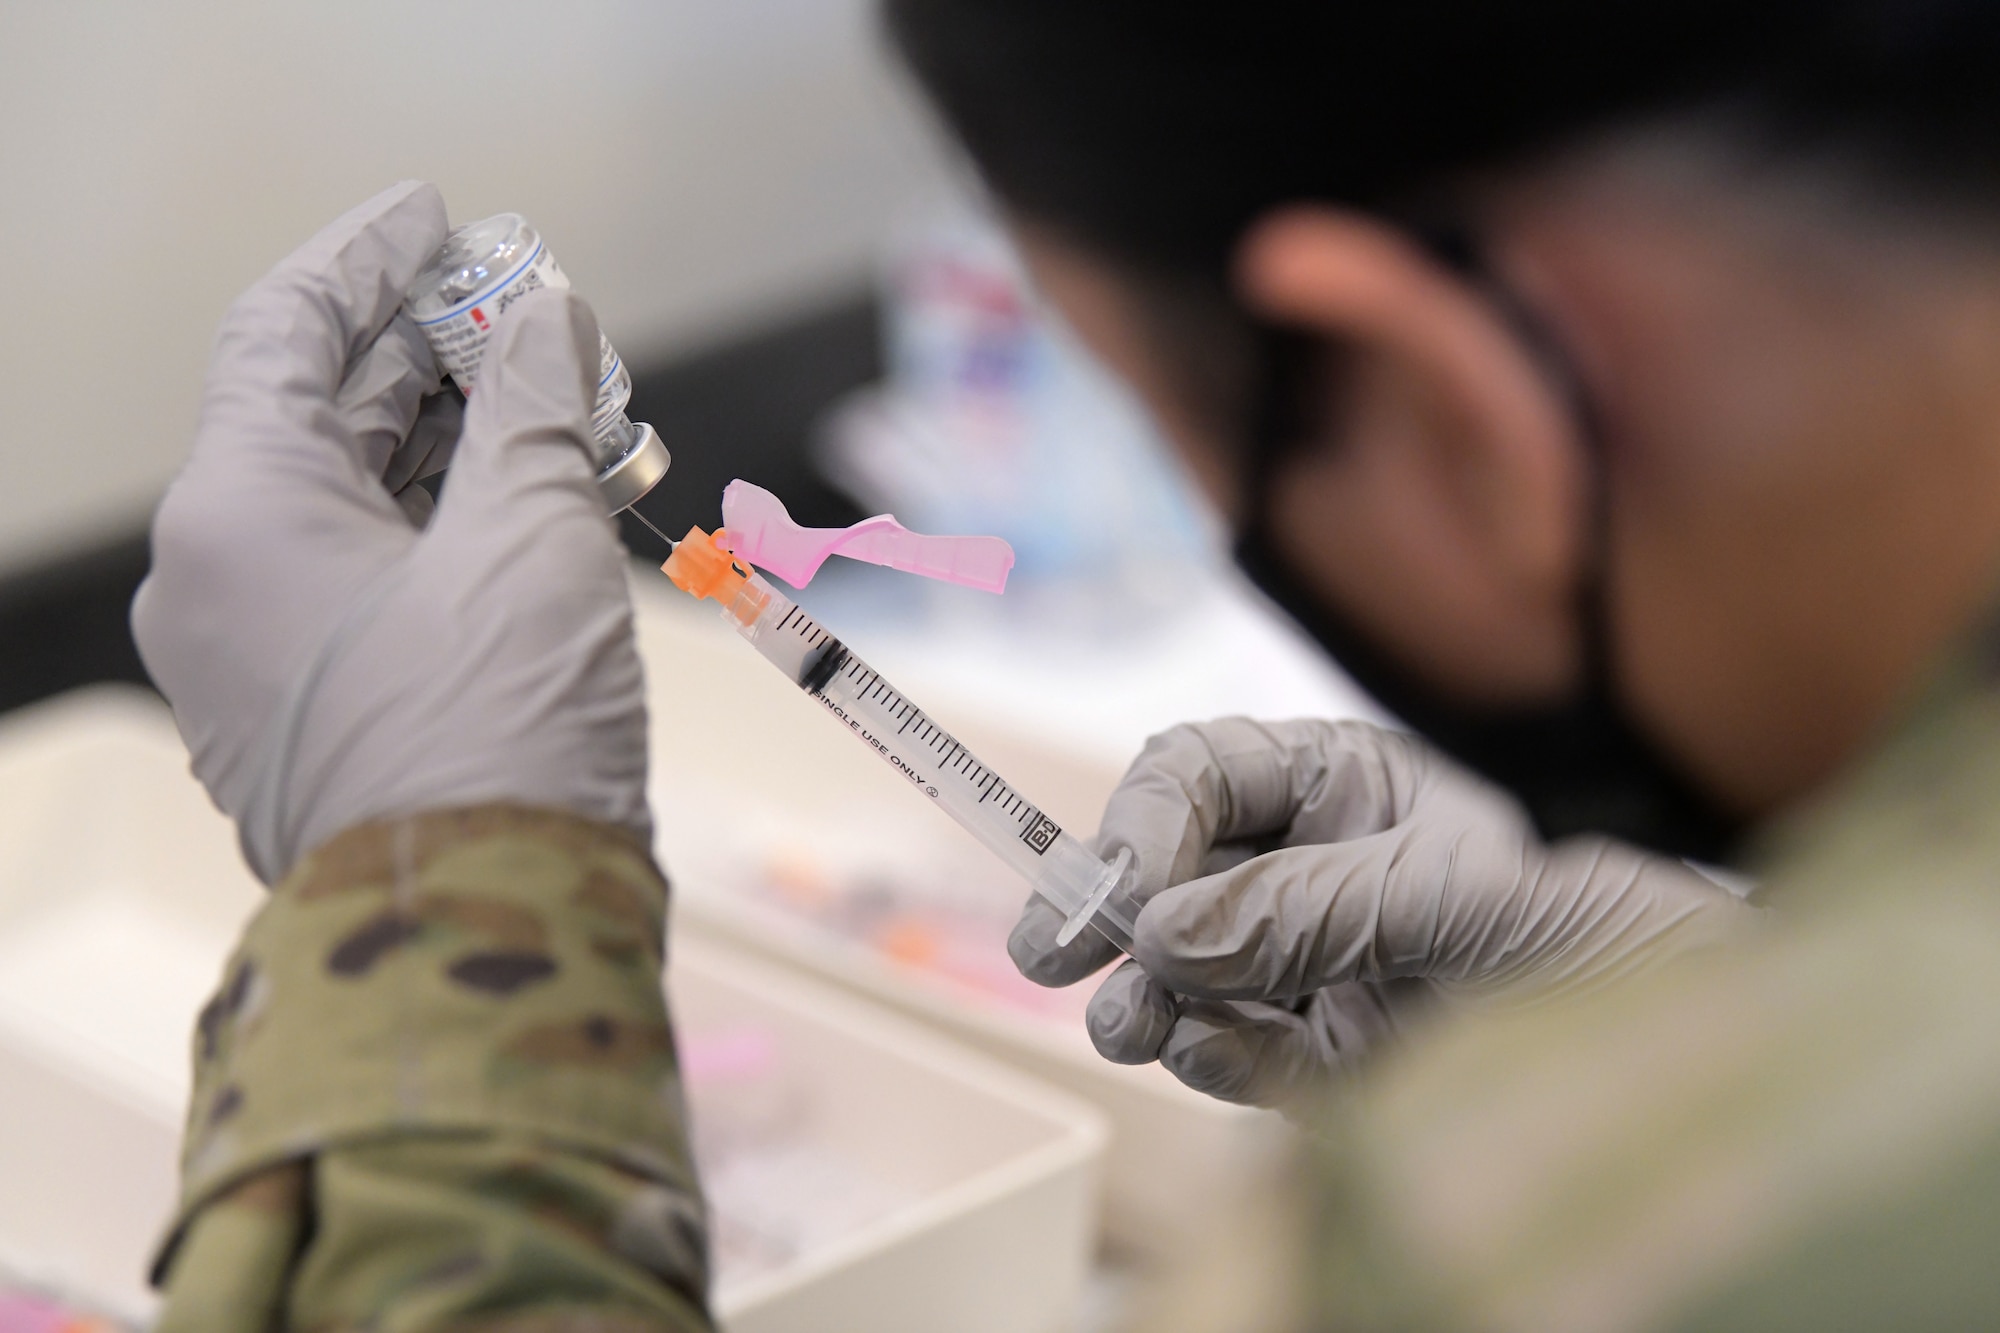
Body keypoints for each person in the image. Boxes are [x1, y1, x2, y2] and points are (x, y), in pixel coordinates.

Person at [126, 4, 2000, 1331]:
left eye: (1173, 430)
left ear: (1455, 429)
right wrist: (1732, 983)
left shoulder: (1513, 1262)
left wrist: (440, 917)